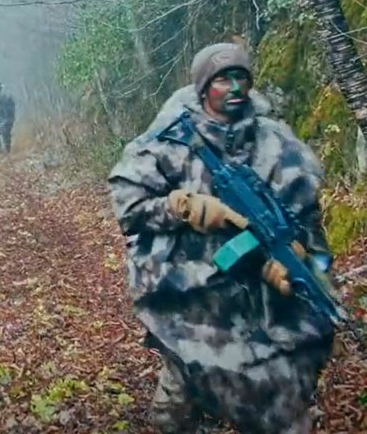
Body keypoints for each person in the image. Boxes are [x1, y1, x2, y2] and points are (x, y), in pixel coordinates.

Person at [106, 42, 337, 434]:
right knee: (179, 401)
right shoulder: (168, 140)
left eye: (241, 77)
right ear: (202, 88)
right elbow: (129, 207)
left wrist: (299, 254)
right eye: (221, 79)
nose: (233, 88)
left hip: (259, 305)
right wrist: (180, 206)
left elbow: (308, 218)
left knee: (282, 400)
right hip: (190, 295)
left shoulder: (276, 142)